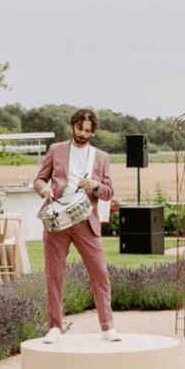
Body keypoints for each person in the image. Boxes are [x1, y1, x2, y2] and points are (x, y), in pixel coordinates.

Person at [34, 108, 118, 343]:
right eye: (80, 129)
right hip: (57, 220)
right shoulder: (56, 150)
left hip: (85, 221)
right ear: (73, 126)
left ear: (93, 132)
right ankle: (54, 327)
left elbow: (109, 192)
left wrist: (94, 185)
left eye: (88, 131)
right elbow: (39, 179)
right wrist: (45, 189)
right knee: (54, 274)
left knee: (100, 273)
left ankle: (108, 326)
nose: (83, 134)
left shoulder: (100, 157)